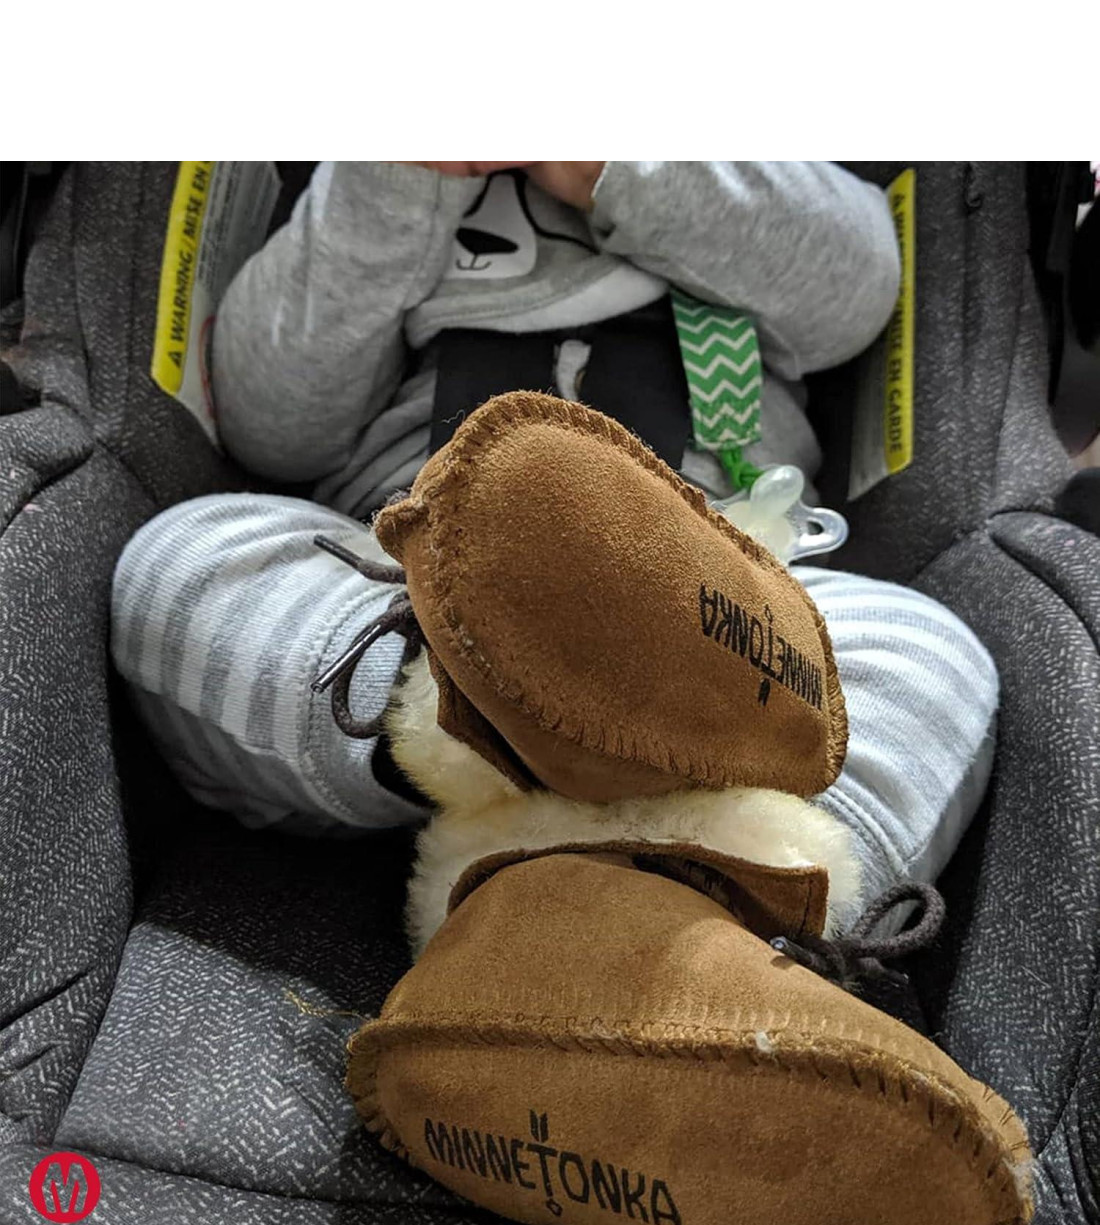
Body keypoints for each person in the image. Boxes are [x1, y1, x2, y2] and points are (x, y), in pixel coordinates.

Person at [110, 162, 998, 928]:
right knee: (179, 568)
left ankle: (732, 888)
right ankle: (472, 737)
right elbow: (274, 428)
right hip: (420, 594)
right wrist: (396, 177)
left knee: (931, 653)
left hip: (724, 614)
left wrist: (612, 162)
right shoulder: (370, 178)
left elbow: (853, 296)